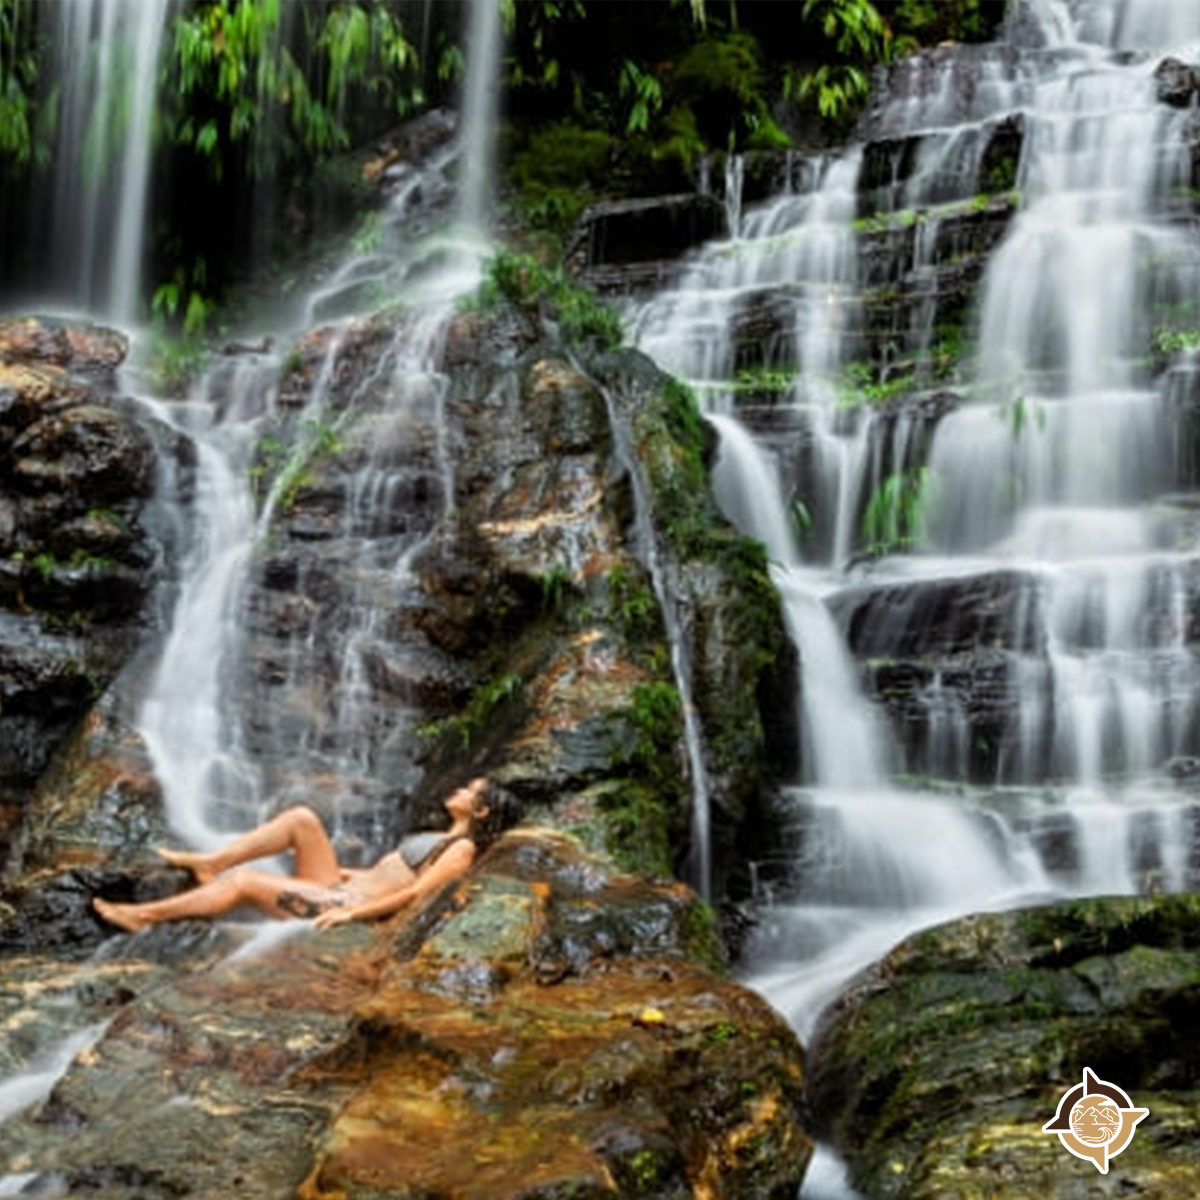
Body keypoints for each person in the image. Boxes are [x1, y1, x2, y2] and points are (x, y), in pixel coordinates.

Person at [93, 777, 520, 934]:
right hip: (340, 886)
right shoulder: (440, 837)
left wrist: (351, 916)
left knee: (245, 884)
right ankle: (212, 863)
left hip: (347, 905)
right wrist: (348, 875)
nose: (460, 790)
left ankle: (143, 917)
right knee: (302, 818)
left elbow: (416, 895)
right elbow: (387, 874)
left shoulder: (462, 849)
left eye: (471, 791)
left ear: (480, 810)